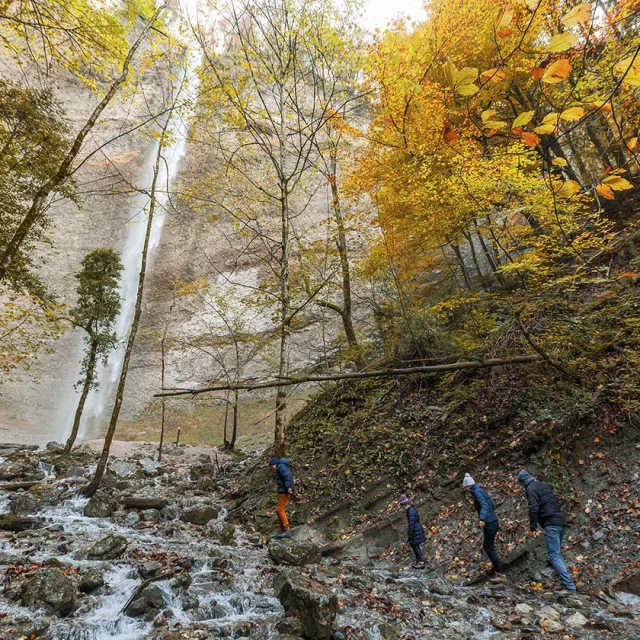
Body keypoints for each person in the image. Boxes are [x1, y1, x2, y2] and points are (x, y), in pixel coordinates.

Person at [518, 470, 576, 592]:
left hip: (552, 523)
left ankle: (570, 587)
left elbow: (533, 508)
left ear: (523, 482)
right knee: (557, 552)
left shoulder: (530, 489)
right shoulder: (543, 485)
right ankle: (559, 576)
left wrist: (532, 527)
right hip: (561, 521)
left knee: (554, 554)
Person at [463, 473, 506, 583]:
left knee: (488, 547)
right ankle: (499, 572)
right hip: (493, 521)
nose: (467, 490)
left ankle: (501, 574)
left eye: (466, 487)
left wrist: (482, 519)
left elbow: (485, 505)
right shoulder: (481, 489)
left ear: (468, 486)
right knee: (488, 547)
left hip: (490, 522)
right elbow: (491, 504)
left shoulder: (477, 491)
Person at [269, 456, 294, 538]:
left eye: (271, 466)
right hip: (284, 490)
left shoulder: (280, 467)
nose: (272, 468)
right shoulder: (281, 466)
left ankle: (287, 530)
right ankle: (281, 529)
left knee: (280, 509)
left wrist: (288, 487)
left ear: (274, 464)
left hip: (285, 491)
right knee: (278, 509)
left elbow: (288, 476)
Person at [399, 494, 426, 569]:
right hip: (416, 529)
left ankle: (421, 562)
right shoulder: (411, 509)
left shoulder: (410, 511)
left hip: (415, 530)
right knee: (415, 545)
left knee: (415, 545)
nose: (403, 508)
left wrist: (410, 535)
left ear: (406, 504)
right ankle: (419, 561)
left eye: (403, 506)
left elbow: (411, 524)